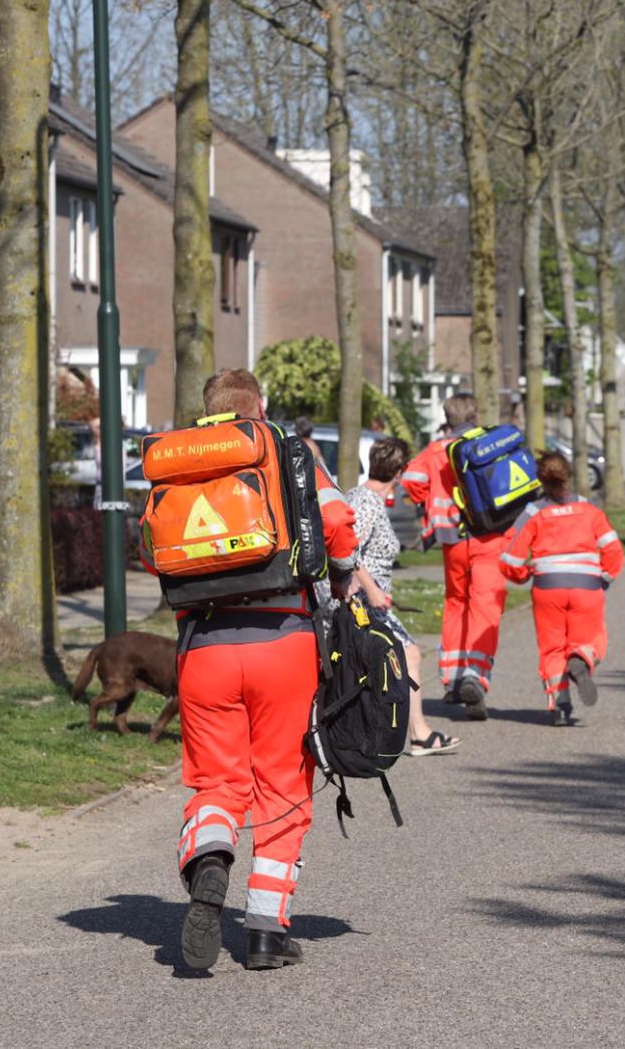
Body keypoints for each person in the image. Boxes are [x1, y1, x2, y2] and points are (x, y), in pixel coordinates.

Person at [172, 368, 358, 973]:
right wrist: (347, 571)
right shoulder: (289, 448)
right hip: (283, 640)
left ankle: (209, 855)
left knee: (217, 783)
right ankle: (264, 932)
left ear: (209, 411)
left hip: (203, 645)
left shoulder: (181, 460)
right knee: (281, 785)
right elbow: (334, 525)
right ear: (261, 406)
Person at [346, 436, 460, 755]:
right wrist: (372, 590)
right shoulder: (365, 501)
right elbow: (347, 550)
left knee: (404, 655)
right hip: (364, 603)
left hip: (371, 600)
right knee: (408, 653)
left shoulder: (362, 496)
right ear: (399, 471)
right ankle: (417, 734)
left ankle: (413, 732)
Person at [402, 393, 506, 720]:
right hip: (489, 536)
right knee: (484, 605)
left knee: (455, 604)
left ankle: (452, 678)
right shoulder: (488, 442)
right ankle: (475, 675)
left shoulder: (435, 450)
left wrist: (429, 500)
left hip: (452, 539)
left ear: (446, 417)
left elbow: (411, 481)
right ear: (475, 413)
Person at [500, 451, 623, 726]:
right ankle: (581, 659)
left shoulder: (533, 512)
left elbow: (510, 558)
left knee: (552, 647)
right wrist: (604, 579)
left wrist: (524, 575)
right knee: (592, 640)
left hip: (547, 588)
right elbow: (613, 549)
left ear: (540, 479)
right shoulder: (589, 509)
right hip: (587, 587)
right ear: (568, 474)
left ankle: (559, 705)